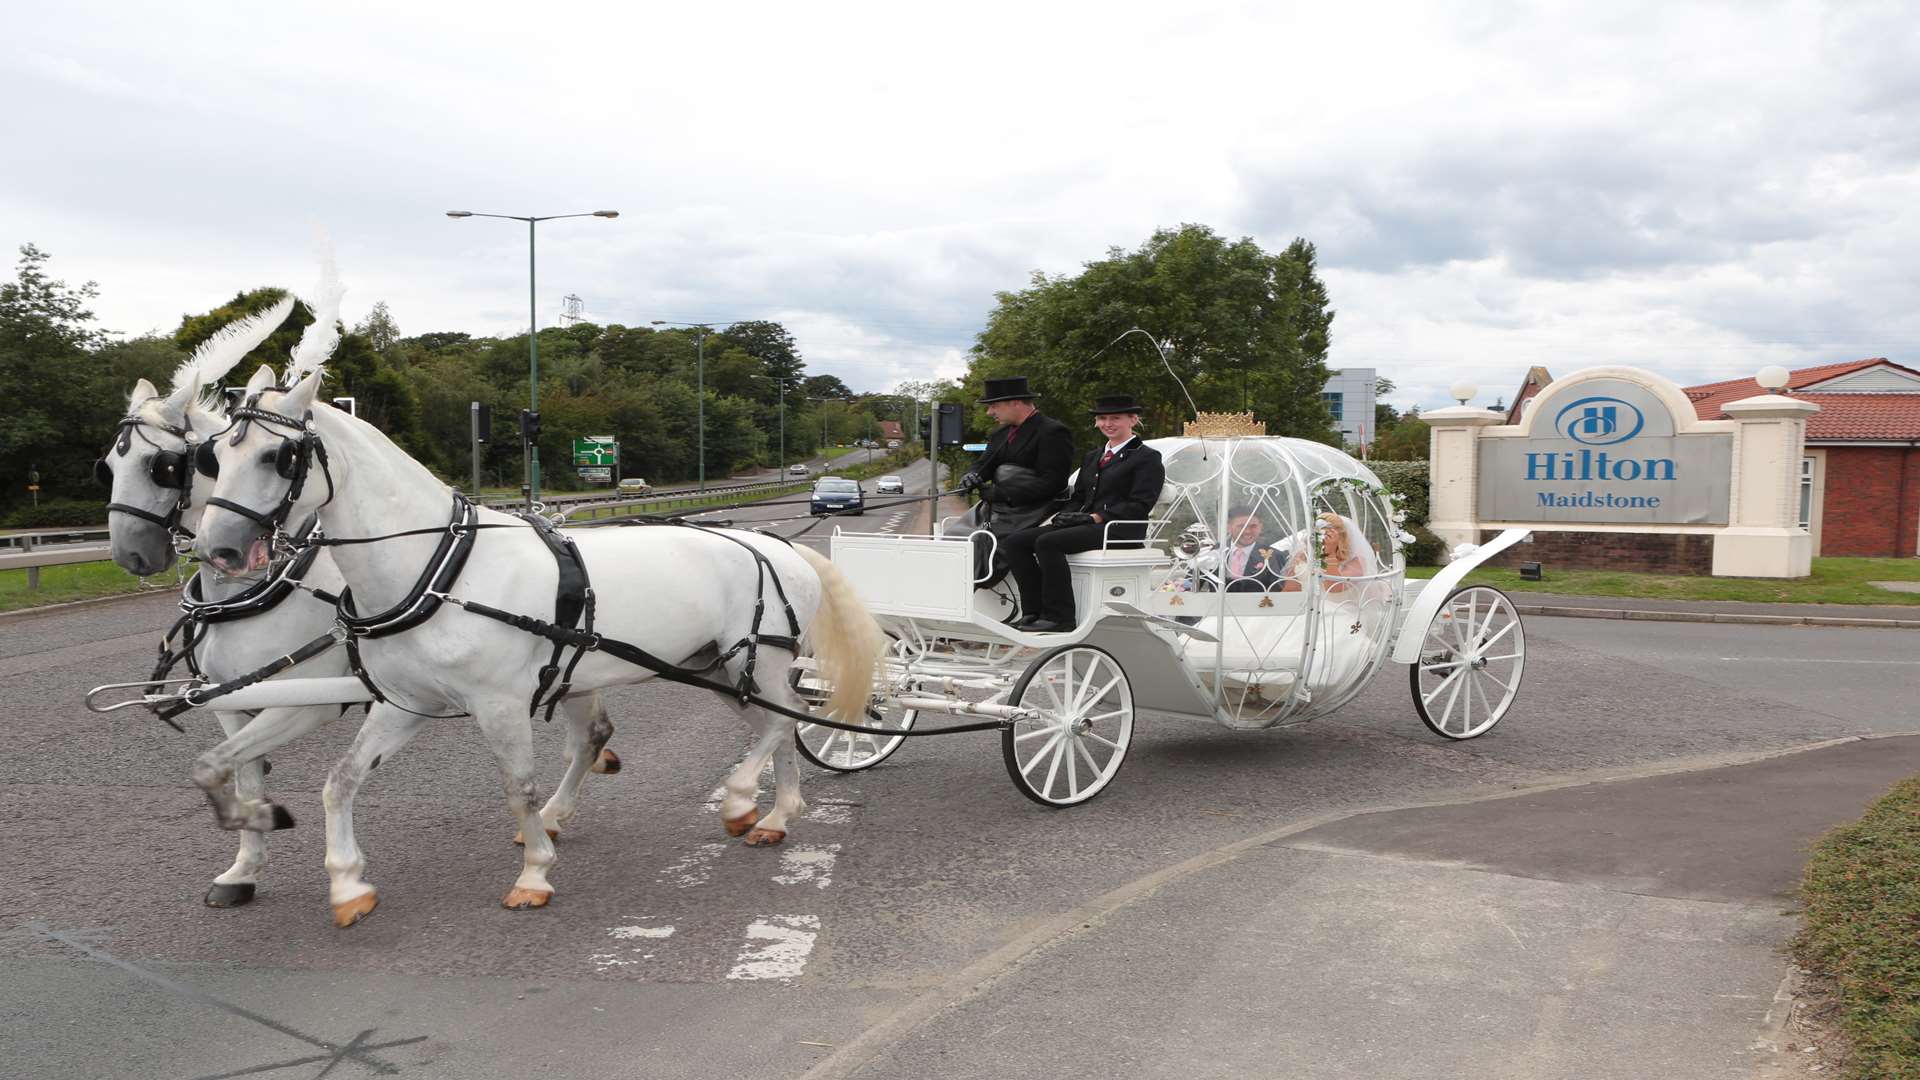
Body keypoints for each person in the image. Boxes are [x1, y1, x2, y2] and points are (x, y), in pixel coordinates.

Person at [1002, 393, 1166, 633]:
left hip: (1120, 529)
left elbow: (1140, 503)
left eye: (1115, 418)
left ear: (1133, 419)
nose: (1107, 424)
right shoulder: (1093, 456)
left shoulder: (1147, 457)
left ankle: (1061, 617)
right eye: (1102, 418)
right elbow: (1079, 496)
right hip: (1086, 525)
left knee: (1048, 542)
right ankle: (1033, 611)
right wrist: (1066, 515)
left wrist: (1096, 517)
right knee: (1016, 542)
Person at [955, 376, 1077, 586]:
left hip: (1031, 510)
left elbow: (1053, 482)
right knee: (955, 537)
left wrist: (1005, 494)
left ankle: (971, 586)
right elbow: (984, 465)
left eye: (994, 406)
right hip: (997, 508)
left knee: (984, 545)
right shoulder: (1000, 433)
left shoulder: (1053, 432)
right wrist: (971, 476)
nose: (990, 412)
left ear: (1016, 403)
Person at [1280, 512, 1373, 596]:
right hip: (1306, 610)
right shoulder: (1303, 555)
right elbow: (1289, 591)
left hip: (1338, 611)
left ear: (1339, 537)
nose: (1320, 540)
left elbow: (1334, 588)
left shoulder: (1356, 561)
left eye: (1326, 536)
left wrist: (1330, 553)